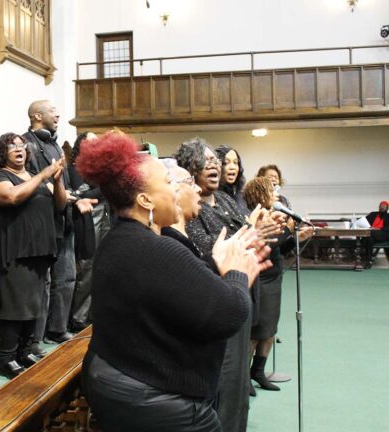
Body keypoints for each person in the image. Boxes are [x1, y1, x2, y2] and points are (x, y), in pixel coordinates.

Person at [78, 132, 263, 432]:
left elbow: (173, 295)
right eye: (168, 183)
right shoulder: (154, 248)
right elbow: (229, 314)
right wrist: (237, 274)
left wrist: (216, 264)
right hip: (156, 401)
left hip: (118, 381)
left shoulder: (122, 239)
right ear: (145, 199)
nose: (176, 191)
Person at [174, 137, 253, 432]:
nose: (215, 167)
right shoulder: (192, 210)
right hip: (216, 303)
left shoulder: (227, 200)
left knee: (236, 384)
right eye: (207, 162)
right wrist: (251, 232)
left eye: (215, 162)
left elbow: (241, 239)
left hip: (238, 291)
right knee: (223, 380)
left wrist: (262, 232)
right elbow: (207, 253)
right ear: (190, 169)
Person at [0, 132, 67, 378]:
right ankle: (7, 358)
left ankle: (25, 350)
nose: (19, 149)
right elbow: (11, 197)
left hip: (38, 250)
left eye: (22, 146)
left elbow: (60, 205)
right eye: (13, 146)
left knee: (34, 304)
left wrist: (58, 179)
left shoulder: (34, 176)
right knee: (15, 305)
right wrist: (44, 175)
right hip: (14, 251)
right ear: (3, 152)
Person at [24, 100, 92, 346]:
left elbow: (64, 182)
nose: (58, 113)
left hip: (65, 219)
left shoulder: (55, 146)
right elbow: (31, 181)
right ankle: (36, 337)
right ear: (38, 115)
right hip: (42, 224)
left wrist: (74, 198)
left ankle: (57, 328)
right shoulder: (26, 144)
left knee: (67, 278)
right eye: (54, 110)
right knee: (44, 283)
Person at [243, 177, 313, 391]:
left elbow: (280, 248)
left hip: (275, 277)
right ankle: (244, 377)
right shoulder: (256, 218)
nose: (276, 194)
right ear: (260, 194)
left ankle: (258, 371)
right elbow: (262, 242)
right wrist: (290, 231)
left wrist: (297, 237)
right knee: (257, 332)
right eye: (271, 191)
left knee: (271, 330)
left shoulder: (275, 215)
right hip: (260, 278)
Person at [67, 132, 103, 332]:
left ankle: (92, 313)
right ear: (80, 146)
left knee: (100, 267)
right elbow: (81, 195)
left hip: (104, 218)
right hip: (87, 219)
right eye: (90, 142)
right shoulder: (74, 168)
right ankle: (78, 318)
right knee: (87, 269)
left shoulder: (100, 168)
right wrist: (105, 186)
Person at [215, 145, 249, 214]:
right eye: (225, 163)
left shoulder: (240, 195)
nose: (232, 167)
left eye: (235, 163)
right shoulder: (212, 198)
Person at [362, 200, 389, 268]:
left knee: (368, 234)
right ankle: (369, 260)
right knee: (370, 239)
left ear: (387, 208)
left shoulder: (388, 216)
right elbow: (363, 220)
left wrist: (377, 229)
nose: (382, 208)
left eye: (384, 206)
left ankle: (362, 245)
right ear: (379, 207)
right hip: (372, 234)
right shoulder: (373, 214)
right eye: (381, 206)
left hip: (384, 234)